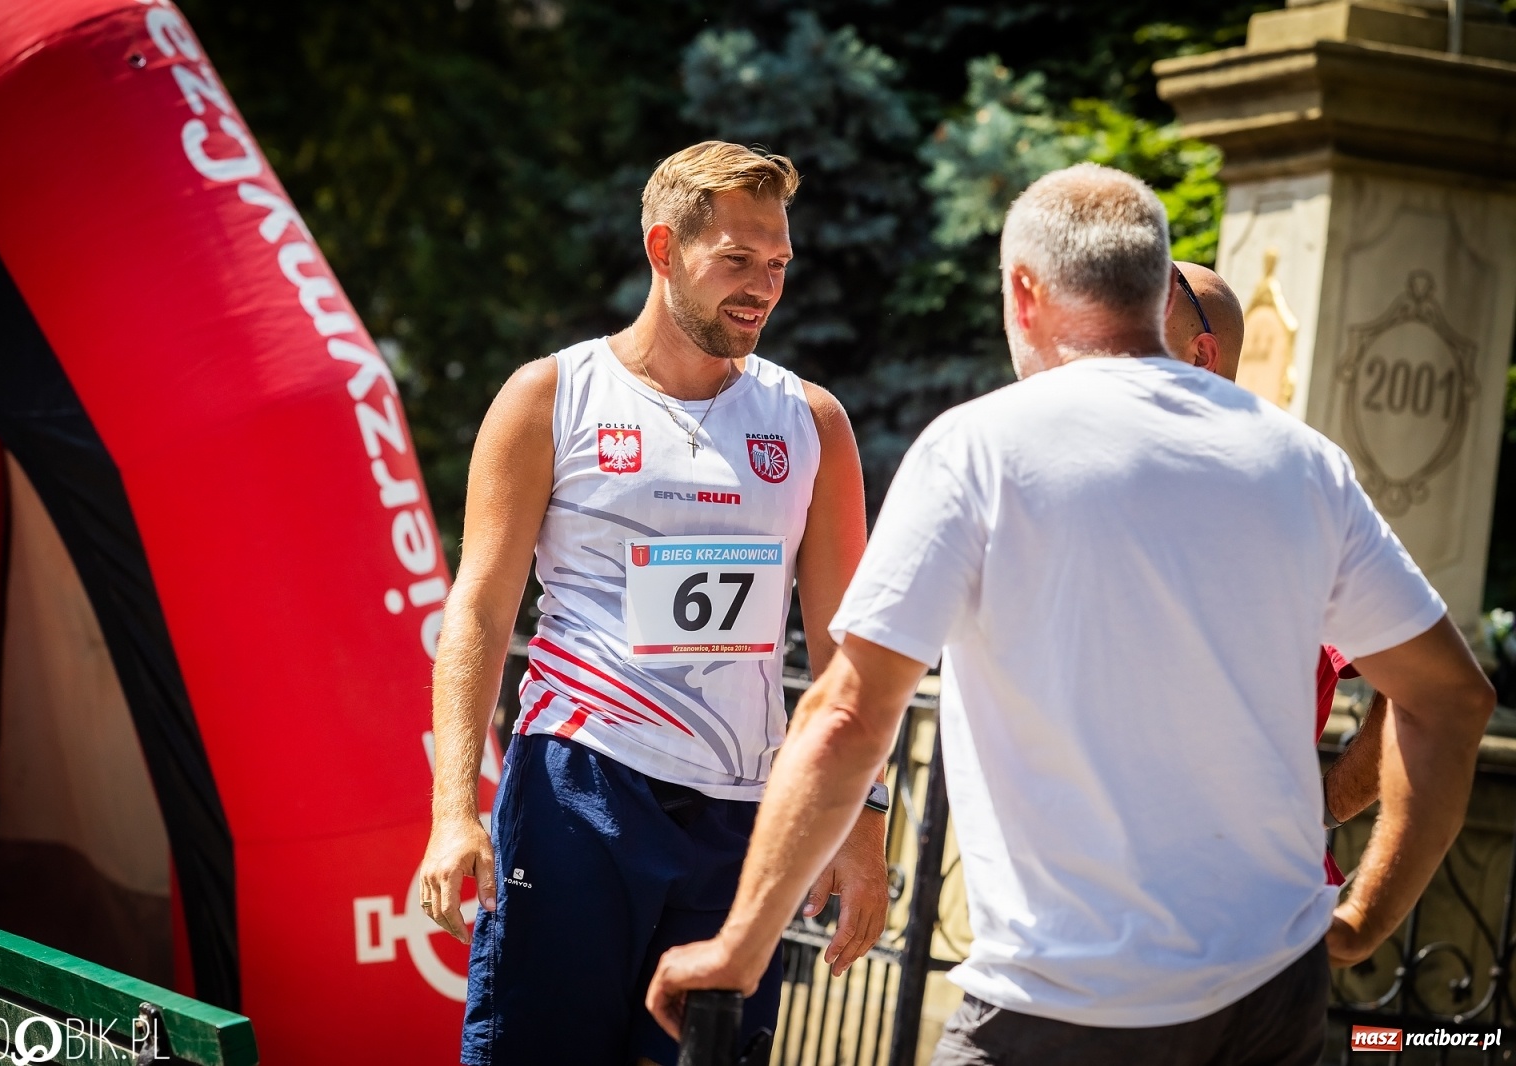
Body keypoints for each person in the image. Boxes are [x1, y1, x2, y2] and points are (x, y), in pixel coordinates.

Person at [647, 163, 1494, 1065]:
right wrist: (1359, 922)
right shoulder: (1300, 460)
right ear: (1155, 284)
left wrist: (739, 946)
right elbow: (1451, 701)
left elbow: (850, 716)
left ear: (1024, 293)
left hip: (1068, 999)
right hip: (1270, 998)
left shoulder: (981, 448)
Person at [418, 140, 889, 1066]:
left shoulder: (812, 421)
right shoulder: (550, 395)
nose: (763, 287)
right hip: (580, 784)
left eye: (779, 264)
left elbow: (849, 651)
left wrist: (862, 824)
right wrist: (451, 811)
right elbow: (478, 612)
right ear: (664, 247)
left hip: (744, 809)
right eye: (738, 260)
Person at [1166, 261, 1392, 879]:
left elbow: (1426, 691)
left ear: (1200, 355)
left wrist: (1324, 808)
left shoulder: (1298, 492)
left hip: (1245, 893)